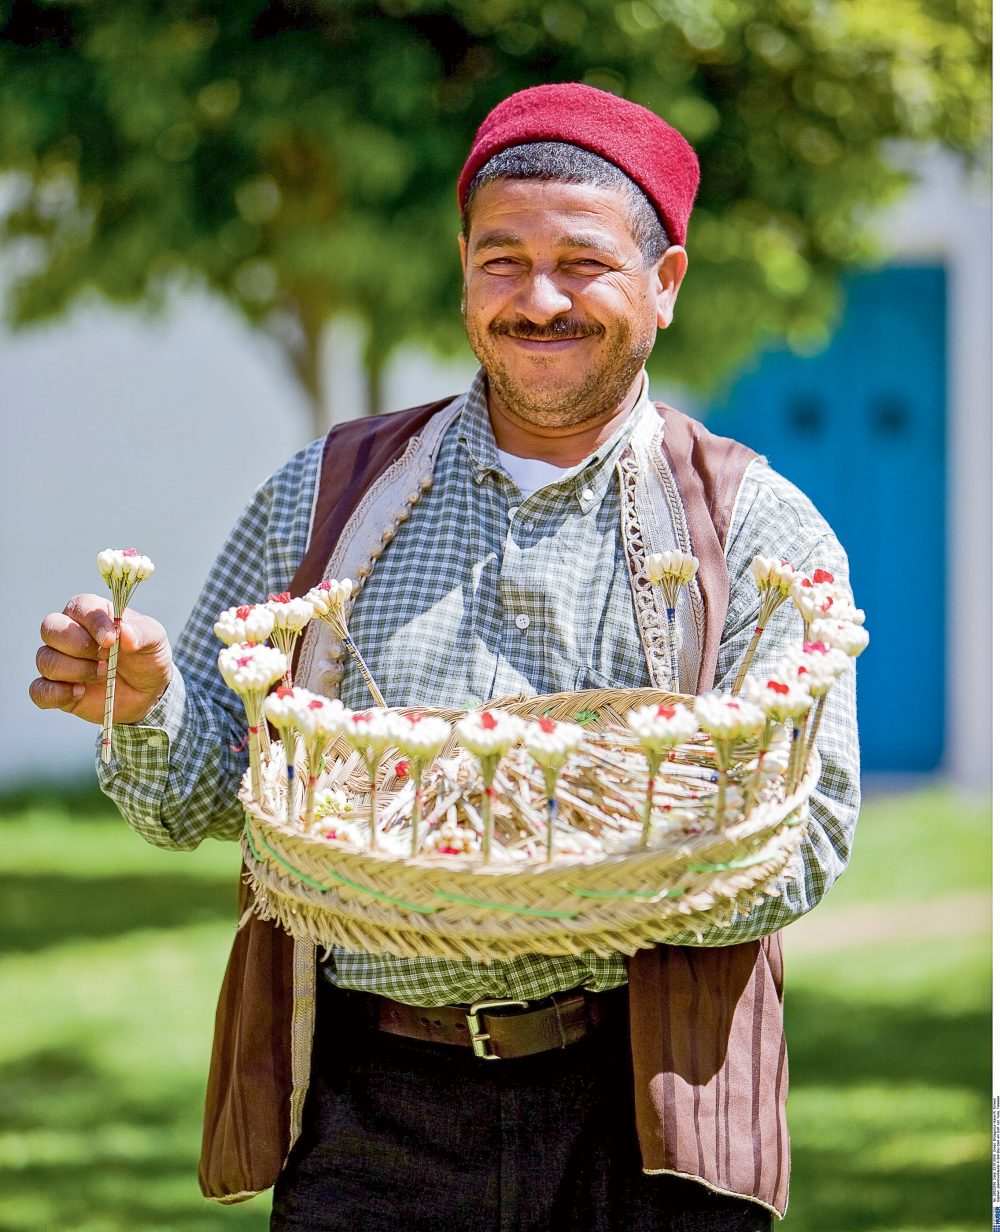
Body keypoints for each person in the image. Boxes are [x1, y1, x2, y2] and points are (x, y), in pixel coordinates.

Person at [30, 83, 860, 1230]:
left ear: (664, 282)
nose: (539, 298)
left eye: (582, 263)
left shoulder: (756, 530)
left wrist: (545, 871)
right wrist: (147, 704)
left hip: (649, 1109)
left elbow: (808, 837)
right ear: (464, 272)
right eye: (501, 260)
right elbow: (197, 796)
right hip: (370, 1114)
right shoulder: (325, 496)